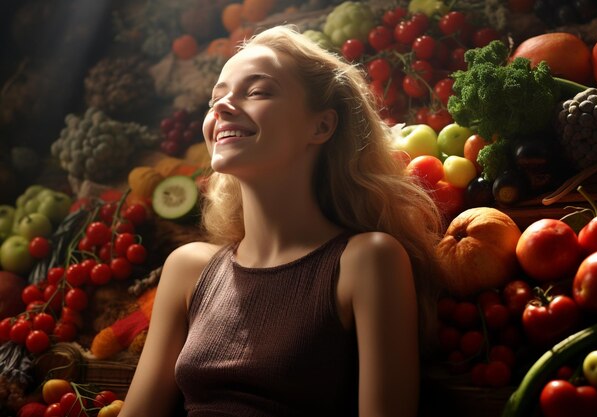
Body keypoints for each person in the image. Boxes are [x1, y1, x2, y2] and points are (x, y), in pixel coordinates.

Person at [118, 25, 444, 417]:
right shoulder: (187, 268)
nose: (221, 107)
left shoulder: (368, 261)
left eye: (256, 91)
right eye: (216, 98)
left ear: (321, 126)